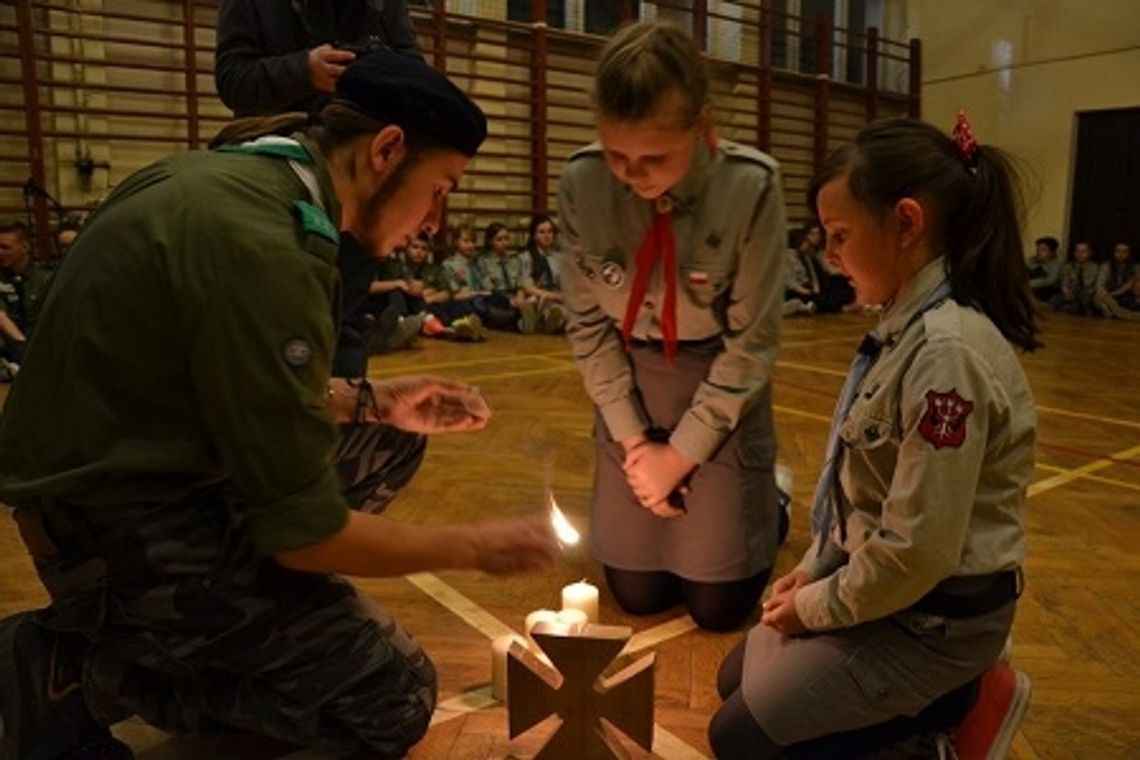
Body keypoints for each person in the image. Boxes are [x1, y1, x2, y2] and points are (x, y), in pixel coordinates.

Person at [0, 51, 558, 759]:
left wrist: (372, 399)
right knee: (393, 697)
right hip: (112, 527)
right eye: (440, 189)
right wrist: (475, 545)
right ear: (386, 150)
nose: (434, 222)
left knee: (391, 436)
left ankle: (237, 619)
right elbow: (304, 531)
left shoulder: (231, 178)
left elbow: (204, 380)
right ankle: (82, 672)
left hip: (123, 477)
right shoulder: (269, 244)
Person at [709, 115, 1037, 759]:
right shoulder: (902, 324)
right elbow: (860, 497)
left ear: (906, 224)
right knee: (732, 679)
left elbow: (917, 551)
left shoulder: (948, 355)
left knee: (740, 737)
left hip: (935, 626)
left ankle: (960, 709)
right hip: (895, 597)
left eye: (839, 236)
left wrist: (817, 607)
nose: (829, 257)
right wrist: (810, 572)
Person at [559, 22, 787, 633]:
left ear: (703, 125)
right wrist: (637, 446)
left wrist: (681, 457)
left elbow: (752, 346)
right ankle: (675, 483)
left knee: (719, 609)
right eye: (616, 155)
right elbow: (588, 326)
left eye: (655, 157)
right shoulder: (582, 183)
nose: (633, 174)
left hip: (717, 389)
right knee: (635, 593)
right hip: (629, 389)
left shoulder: (751, 187)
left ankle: (773, 506)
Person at [214, 0, 422, 118]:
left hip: (361, 156)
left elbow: (417, 75)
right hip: (274, 153)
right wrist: (304, 71)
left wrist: (380, 75)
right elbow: (233, 80)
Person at [0, 219, 54, 369]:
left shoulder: (46, 278)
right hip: (12, 344)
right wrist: (23, 345)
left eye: (5, 248)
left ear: (25, 247)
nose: (0, 253)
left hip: (41, 343)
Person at [520, 213, 568, 333]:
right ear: (534, 236)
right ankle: (544, 320)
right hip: (540, 297)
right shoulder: (526, 257)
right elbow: (526, 286)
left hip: (559, 295)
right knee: (538, 302)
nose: (547, 236)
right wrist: (550, 296)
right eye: (542, 232)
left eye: (550, 232)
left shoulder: (559, 257)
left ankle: (551, 321)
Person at [1050, 241, 1099, 315]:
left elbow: (1095, 284)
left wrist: (1090, 292)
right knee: (1054, 300)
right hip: (1071, 292)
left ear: (1089, 253)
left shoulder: (1095, 267)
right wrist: (1066, 291)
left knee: (1085, 301)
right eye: (1077, 251)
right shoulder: (1068, 266)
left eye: (1083, 251)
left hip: (1087, 294)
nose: (1080, 254)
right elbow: (1064, 281)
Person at [1093, 241, 1139, 320]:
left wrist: (1114, 293)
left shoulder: (1136, 268)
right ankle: (1118, 313)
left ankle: (1118, 313)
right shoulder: (1106, 266)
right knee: (1097, 296)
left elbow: (1129, 285)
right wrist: (1106, 295)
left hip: (1128, 297)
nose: (1121, 255)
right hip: (1109, 298)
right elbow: (1099, 284)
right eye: (1118, 251)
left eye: (1124, 252)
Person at [1026, 235, 1062, 303]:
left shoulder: (1056, 264)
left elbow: (1050, 280)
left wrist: (1028, 284)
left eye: (1044, 250)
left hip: (1048, 291)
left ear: (1052, 253)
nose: (1039, 252)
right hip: (1031, 289)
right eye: (1038, 249)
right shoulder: (1032, 261)